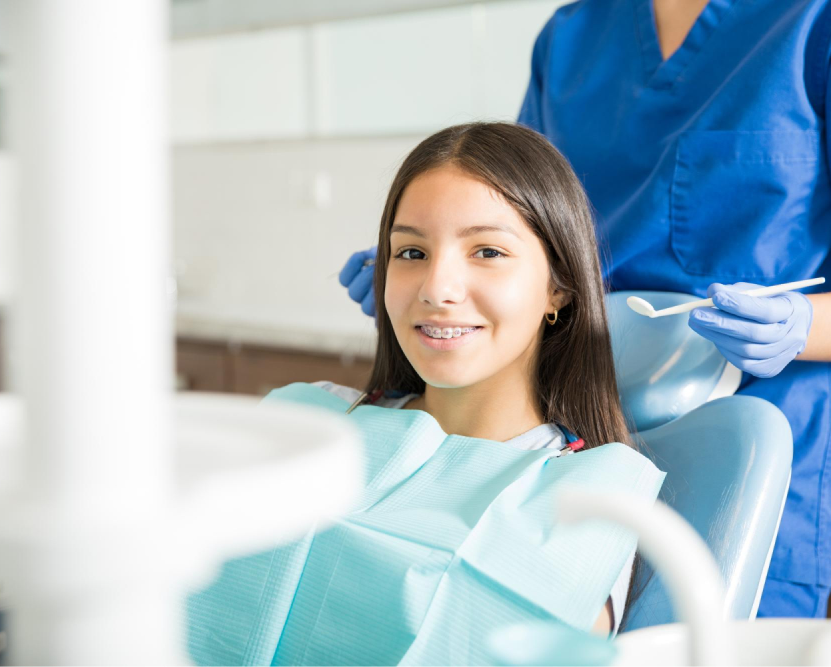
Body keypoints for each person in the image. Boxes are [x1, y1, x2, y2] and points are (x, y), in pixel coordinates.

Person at [340, 0, 831, 619]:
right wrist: (437, 275)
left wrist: (802, 327)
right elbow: (526, 223)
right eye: (410, 251)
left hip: (750, 453)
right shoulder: (572, 37)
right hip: (561, 444)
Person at [186, 122, 665, 667]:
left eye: (486, 251)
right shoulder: (310, 421)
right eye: (411, 253)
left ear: (557, 285)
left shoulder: (584, 502)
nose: (437, 288)